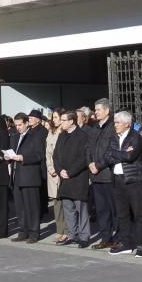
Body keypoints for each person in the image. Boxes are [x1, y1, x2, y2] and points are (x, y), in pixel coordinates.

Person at [105, 111, 142, 256]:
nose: (115, 125)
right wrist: (122, 152)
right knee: (122, 213)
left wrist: (117, 153)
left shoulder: (135, 137)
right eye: (115, 122)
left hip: (132, 179)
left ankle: (141, 244)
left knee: (138, 213)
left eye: (118, 122)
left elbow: (131, 156)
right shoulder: (113, 137)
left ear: (127, 124)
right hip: (117, 179)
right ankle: (126, 242)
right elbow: (107, 156)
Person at [53, 109, 90, 248]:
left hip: (77, 177)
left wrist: (70, 171)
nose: (61, 122)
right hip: (64, 178)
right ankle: (72, 234)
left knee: (81, 209)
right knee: (68, 208)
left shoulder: (82, 135)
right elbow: (55, 156)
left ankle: (84, 236)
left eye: (63, 120)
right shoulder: (62, 135)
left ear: (71, 121)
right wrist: (59, 170)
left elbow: (83, 157)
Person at [7, 112, 43, 243]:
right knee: (20, 207)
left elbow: (39, 155)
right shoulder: (15, 137)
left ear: (27, 123)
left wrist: (23, 158)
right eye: (16, 125)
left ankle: (34, 233)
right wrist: (8, 158)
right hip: (17, 176)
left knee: (32, 206)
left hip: (30, 176)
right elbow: (12, 152)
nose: (18, 127)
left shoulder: (35, 136)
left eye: (20, 124)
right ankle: (23, 231)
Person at [89, 98, 118, 250]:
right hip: (96, 176)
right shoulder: (95, 128)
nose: (96, 112)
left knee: (114, 209)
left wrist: (99, 165)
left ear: (107, 111)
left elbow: (112, 150)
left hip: (108, 174)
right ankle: (105, 237)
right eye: (95, 109)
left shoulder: (113, 127)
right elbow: (88, 148)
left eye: (99, 109)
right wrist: (90, 163)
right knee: (101, 210)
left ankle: (118, 238)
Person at [45, 111, 66, 244]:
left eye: (57, 117)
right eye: (53, 117)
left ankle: (68, 230)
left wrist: (59, 169)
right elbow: (47, 153)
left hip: (64, 171)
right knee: (57, 202)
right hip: (53, 172)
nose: (55, 120)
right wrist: (50, 168)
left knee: (67, 203)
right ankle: (60, 230)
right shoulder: (51, 133)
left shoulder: (65, 133)